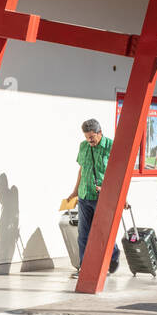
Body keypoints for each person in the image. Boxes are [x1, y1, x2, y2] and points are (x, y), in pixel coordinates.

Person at [66, 118, 121, 276]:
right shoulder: (83, 146)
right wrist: (75, 191)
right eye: (86, 137)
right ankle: (84, 268)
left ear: (100, 133)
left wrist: (107, 189)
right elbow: (82, 170)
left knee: (104, 232)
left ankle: (113, 257)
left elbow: (118, 174)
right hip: (84, 195)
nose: (89, 140)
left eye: (92, 137)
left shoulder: (111, 146)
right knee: (83, 234)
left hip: (102, 197)